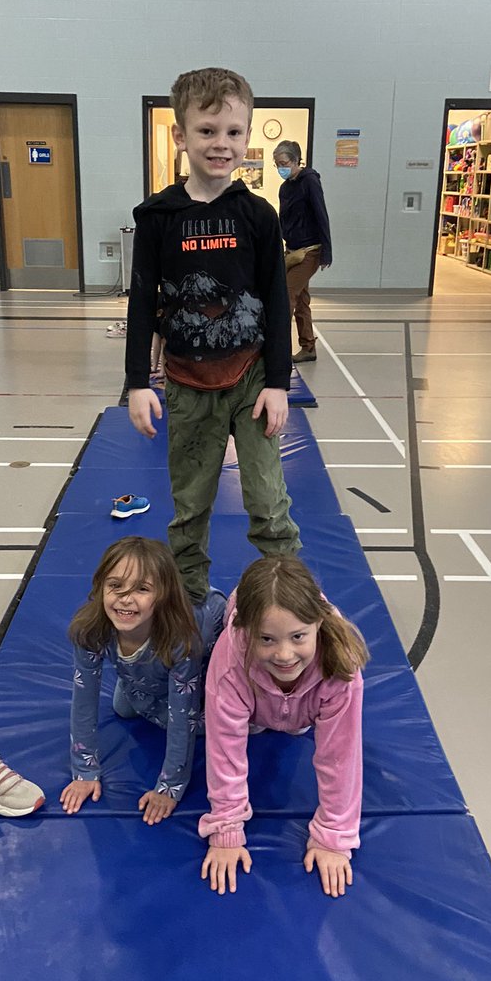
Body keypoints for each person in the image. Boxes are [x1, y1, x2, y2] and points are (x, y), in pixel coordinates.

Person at [125, 67, 301, 604]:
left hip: (251, 378)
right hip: (186, 381)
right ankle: (192, 601)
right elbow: (141, 300)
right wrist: (137, 382)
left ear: (247, 137)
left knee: (268, 500)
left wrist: (279, 381)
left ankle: (284, 600)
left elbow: (276, 301)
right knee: (191, 503)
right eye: (206, 131)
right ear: (181, 135)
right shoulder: (158, 217)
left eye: (233, 132)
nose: (221, 144)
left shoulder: (258, 215)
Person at [199, 555, 367, 898]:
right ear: (246, 632)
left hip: (303, 704)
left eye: (298, 637)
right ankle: (268, 712)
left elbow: (340, 756)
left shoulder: (340, 667)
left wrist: (333, 837)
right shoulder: (229, 662)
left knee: (297, 723)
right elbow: (224, 749)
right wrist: (226, 830)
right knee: (247, 721)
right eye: (267, 639)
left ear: (318, 623)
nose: (285, 654)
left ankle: (289, 713)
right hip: (254, 699)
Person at [60, 536, 225, 823]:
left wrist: (170, 786)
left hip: (206, 655)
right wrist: (85, 771)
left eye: (142, 589)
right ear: (100, 588)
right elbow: (84, 702)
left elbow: (182, 716)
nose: (125, 598)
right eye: (115, 586)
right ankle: (146, 677)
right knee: (124, 708)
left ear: (163, 596)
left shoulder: (181, 639)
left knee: (206, 724)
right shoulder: (91, 630)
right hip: (156, 670)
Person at [273, 140, 333, 364]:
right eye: (277, 164)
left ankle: (278, 352)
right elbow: (283, 220)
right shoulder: (285, 187)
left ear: (296, 160)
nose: (280, 168)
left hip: (310, 251)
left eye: (283, 163)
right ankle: (308, 347)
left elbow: (321, 214)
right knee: (302, 301)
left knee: (286, 296)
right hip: (292, 251)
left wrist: (327, 252)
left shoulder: (310, 181)